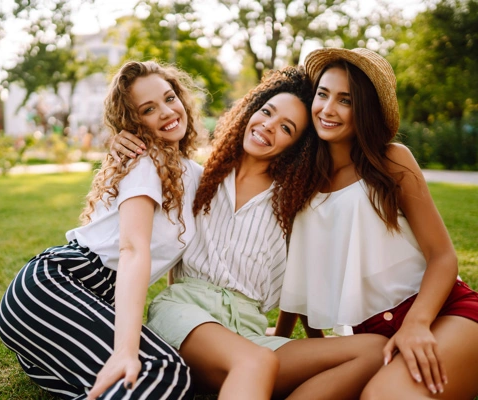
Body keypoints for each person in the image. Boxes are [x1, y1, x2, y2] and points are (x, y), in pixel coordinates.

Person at [112, 65, 386, 400]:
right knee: (253, 362)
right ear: (251, 110)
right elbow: (151, 143)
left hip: (249, 334)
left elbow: (299, 285)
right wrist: (122, 141)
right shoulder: (196, 178)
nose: (268, 127)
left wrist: (303, 343)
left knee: (375, 350)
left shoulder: (293, 205)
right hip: (184, 317)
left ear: (296, 145)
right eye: (267, 112)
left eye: (286, 127)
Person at [0, 60, 205, 400]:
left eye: (170, 98)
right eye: (148, 109)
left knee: (144, 383)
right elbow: (133, 250)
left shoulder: (192, 173)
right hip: (57, 288)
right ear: (133, 121)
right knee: (164, 372)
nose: (167, 112)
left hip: (85, 307)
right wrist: (126, 349)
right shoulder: (144, 159)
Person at [278, 47, 478, 399]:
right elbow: (305, 270)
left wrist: (417, 324)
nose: (328, 109)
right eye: (322, 95)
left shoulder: (392, 161)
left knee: (382, 396)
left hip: (442, 315)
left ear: (365, 109)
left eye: (346, 100)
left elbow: (443, 256)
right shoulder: (302, 179)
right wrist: (286, 336)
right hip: (370, 338)